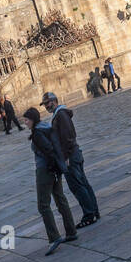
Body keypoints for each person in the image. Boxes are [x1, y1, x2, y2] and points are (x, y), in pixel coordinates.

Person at [23, 107, 78, 255]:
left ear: (33, 119)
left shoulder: (37, 133)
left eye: (27, 120)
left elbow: (48, 151)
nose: (25, 123)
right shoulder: (46, 127)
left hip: (45, 170)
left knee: (43, 205)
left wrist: (51, 167)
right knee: (60, 198)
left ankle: (54, 237)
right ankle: (71, 230)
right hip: (55, 168)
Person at [41, 91, 100, 228]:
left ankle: (89, 214)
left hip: (70, 156)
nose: (46, 106)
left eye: (48, 103)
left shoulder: (61, 115)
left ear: (54, 101)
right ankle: (93, 211)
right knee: (83, 184)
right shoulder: (60, 114)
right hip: (74, 154)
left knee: (77, 186)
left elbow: (68, 136)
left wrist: (66, 157)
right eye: (44, 104)